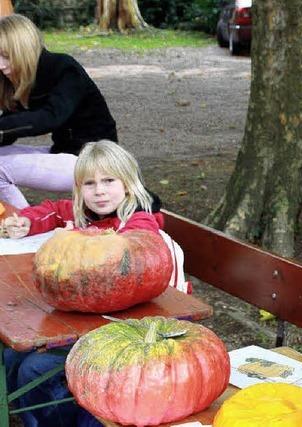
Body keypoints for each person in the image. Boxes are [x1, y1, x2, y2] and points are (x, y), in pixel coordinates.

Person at [2, 140, 185, 427]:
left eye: (108, 181)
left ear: (128, 184)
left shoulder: (139, 225)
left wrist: (77, 242)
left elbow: (125, 260)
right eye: (89, 184)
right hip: (90, 320)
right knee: (14, 355)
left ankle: (57, 419)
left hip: (126, 329)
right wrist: (27, 221)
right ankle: (34, 417)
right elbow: (53, 209)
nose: (99, 191)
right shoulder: (88, 213)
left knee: (36, 368)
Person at [0, 14, 117, 209]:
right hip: (64, 153)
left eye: (6, 55)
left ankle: (26, 224)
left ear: (24, 49)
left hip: (95, 161)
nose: (1, 65)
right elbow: (11, 128)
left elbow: (50, 117)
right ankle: (19, 222)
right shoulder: (19, 78)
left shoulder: (64, 67)